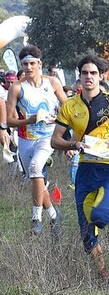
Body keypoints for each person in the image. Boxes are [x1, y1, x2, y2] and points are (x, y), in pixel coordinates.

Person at [51, 54, 109, 277]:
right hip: (85, 167)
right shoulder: (70, 106)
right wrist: (74, 143)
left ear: (101, 76)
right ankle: (102, 272)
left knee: (100, 216)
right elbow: (55, 140)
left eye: (93, 73)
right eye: (84, 73)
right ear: (79, 77)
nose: (88, 77)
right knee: (86, 233)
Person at [6, 45, 68, 235]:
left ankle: (36, 218)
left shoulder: (52, 83)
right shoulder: (17, 87)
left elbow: (68, 108)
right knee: (35, 179)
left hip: (48, 137)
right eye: (25, 64)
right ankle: (53, 214)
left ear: (39, 64)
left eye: (32, 63)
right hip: (26, 139)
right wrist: (30, 120)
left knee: (35, 168)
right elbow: (9, 120)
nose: (29, 67)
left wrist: (59, 120)